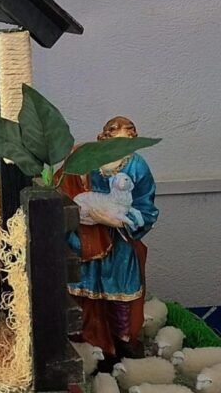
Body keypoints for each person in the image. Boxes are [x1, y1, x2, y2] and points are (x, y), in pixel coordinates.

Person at [59, 116, 158, 359]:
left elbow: (147, 209)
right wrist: (84, 214)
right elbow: (62, 189)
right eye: (115, 143)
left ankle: (120, 343)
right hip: (85, 239)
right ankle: (83, 341)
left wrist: (118, 220)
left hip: (119, 243)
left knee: (121, 294)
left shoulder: (137, 166)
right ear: (104, 139)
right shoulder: (87, 159)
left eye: (126, 144)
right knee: (81, 291)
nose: (120, 149)